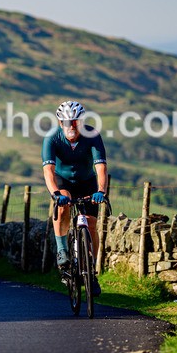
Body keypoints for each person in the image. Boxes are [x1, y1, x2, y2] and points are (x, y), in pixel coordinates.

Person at [42, 100, 107, 296]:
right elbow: (48, 171)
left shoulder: (92, 135)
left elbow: (101, 167)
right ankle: (62, 251)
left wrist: (101, 191)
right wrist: (55, 193)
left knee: (91, 223)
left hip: (87, 181)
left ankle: (92, 272)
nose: (71, 125)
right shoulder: (52, 138)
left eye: (75, 121)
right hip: (62, 181)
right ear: (60, 123)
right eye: (67, 121)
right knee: (63, 206)